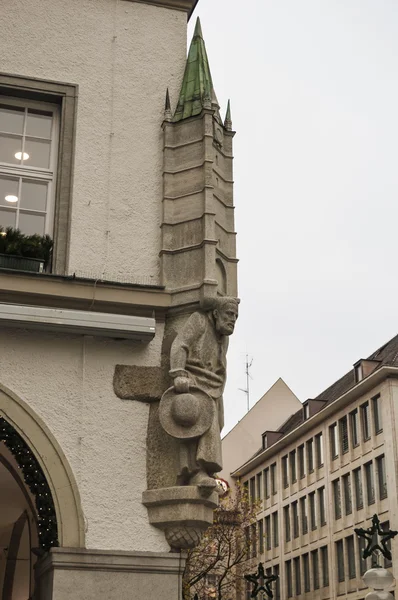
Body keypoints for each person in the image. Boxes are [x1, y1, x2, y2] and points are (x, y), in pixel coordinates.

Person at [169, 296, 239, 488]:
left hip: (214, 385)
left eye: (235, 316)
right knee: (202, 423)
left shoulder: (224, 338)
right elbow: (180, 345)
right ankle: (198, 472)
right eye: (229, 314)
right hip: (195, 381)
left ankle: (207, 471)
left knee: (218, 424)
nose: (232, 319)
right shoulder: (199, 320)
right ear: (216, 313)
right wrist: (178, 374)